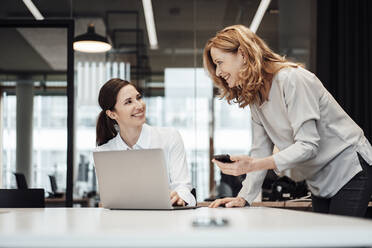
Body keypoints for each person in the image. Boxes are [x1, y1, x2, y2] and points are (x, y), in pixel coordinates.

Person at [203, 24, 372, 217]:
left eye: (219, 62)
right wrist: (244, 197)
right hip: (319, 178)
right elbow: (260, 151)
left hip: (349, 166)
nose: (217, 72)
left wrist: (254, 164)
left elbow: (308, 145)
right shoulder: (255, 98)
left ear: (242, 54)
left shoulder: (292, 79)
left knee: (339, 242)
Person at [95, 78, 196, 206]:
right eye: (128, 102)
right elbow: (110, 200)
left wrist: (179, 197)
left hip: (166, 220)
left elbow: (183, 186)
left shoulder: (169, 137)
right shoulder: (104, 153)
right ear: (112, 114)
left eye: (138, 97)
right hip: (122, 223)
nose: (139, 105)